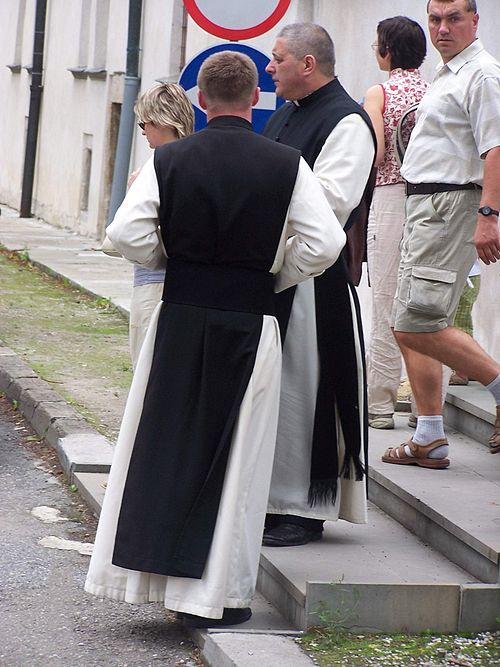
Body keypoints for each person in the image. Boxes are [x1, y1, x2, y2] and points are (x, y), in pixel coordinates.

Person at [85, 50, 346, 627]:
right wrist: (278, 273)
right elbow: (324, 245)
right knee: (240, 462)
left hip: (178, 316)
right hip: (251, 320)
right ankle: (217, 597)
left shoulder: (169, 158)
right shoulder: (288, 165)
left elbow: (123, 232)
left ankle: (153, 579)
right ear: (258, 100)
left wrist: (169, 257)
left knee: (165, 447)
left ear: (200, 102)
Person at [262, 23, 376, 547]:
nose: (269, 67)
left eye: (277, 58)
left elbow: (330, 205)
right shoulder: (288, 112)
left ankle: (301, 506)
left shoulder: (347, 122)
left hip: (314, 281)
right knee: (276, 390)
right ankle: (269, 499)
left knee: (302, 391)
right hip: (272, 270)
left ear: (308, 64)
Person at [383, 0, 500, 468]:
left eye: (454, 18)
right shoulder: (447, 72)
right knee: (409, 323)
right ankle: (429, 436)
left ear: (476, 20)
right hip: (426, 203)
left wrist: (489, 214)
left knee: (417, 321)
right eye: (435, 19)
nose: (443, 27)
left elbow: (496, 148)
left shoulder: (482, 74)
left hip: (451, 203)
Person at [363, 16, 428, 430]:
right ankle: (425, 406)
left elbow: (375, 152)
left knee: (385, 301)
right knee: (423, 305)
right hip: (431, 200)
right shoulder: (435, 90)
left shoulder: (379, 92)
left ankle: (380, 405)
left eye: (377, 44)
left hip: (389, 198)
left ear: (388, 50)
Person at [129, 83, 194, 368]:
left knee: (147, 373)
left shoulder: (158, 166)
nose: (143, 131)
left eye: (145, 123)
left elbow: (125, 233)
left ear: (161, 121)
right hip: (189, 289)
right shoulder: (197, 160)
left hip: (153, 283)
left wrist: (133, 194)